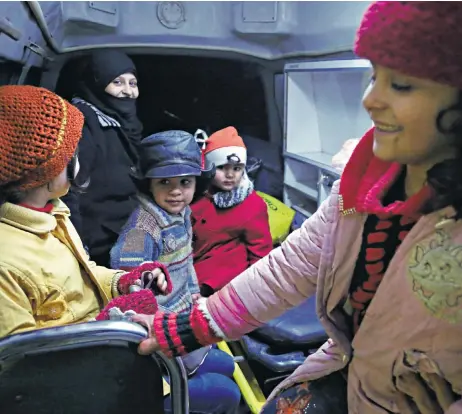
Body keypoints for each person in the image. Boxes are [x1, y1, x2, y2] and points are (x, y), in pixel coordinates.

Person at [132, 2, 462, 413]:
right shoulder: (364, 181)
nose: (370, 100)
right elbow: (289, 267)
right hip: (350, 376)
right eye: (373, 77)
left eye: (399, 85)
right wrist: (184, 329)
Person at [0, 84, 167, 338]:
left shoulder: (54, 213)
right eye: (73, 154)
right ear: (45, 169)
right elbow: (21, 362)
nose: (81, 160)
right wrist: (110, 324)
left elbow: (83, 276)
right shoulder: (6, 261)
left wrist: (122, 283)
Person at [110, 130, 241, 413]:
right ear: (148, 184)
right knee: (224, 388)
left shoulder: (182, 214)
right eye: (164, 182)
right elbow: (128, 276)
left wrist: (195, 294)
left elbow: (186, 262)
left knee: (226, 364)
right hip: (157, 328)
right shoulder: (141, 227)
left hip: (182, 312)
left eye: (185, 182)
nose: (176, 191)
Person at [62, 50, 143, 267]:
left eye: (133, 83)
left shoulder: (124, 123)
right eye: (117, 82)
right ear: (97, 84)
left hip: (128, 229)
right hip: (99, 243)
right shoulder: (83, 124)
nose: (128, 91)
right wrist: (79, 249)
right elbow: (68, 192)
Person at [192, 127, 273, 295]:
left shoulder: (252, 204)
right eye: (222, 167)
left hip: (220, 269)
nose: (230, 175)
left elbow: (260, 249)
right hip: (191, 257)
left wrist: (255, 287)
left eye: (237, 168)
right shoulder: (195, 192)